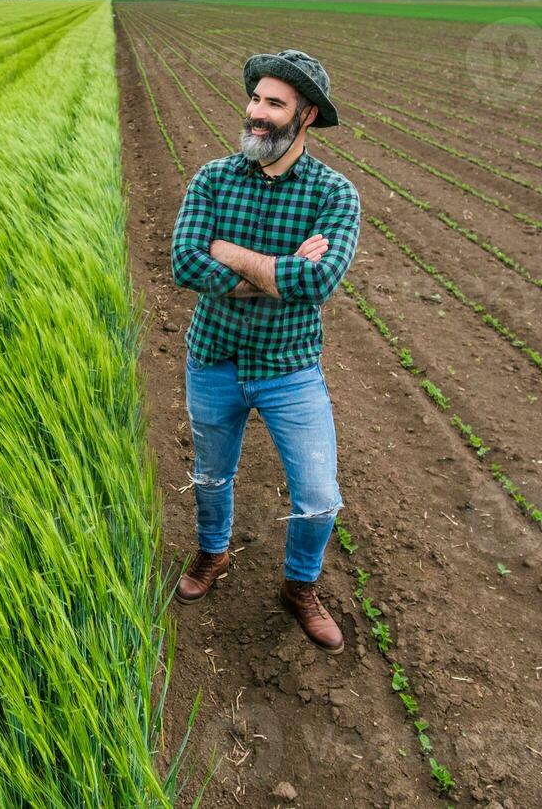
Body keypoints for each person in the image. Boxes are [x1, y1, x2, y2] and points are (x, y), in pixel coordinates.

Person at [168, 48, 360, 655]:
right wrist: (278, 273)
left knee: (318, 497)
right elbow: (183, 262)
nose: (255, 112)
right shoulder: (212, 178)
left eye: (273, 104)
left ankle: (300, 587)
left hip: (289, 369)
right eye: (255, 98)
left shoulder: (335, 195)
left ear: (305, 117)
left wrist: (229, 253)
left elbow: (318, 284)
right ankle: (212, 551)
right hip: (214, 358)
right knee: (211, 474)